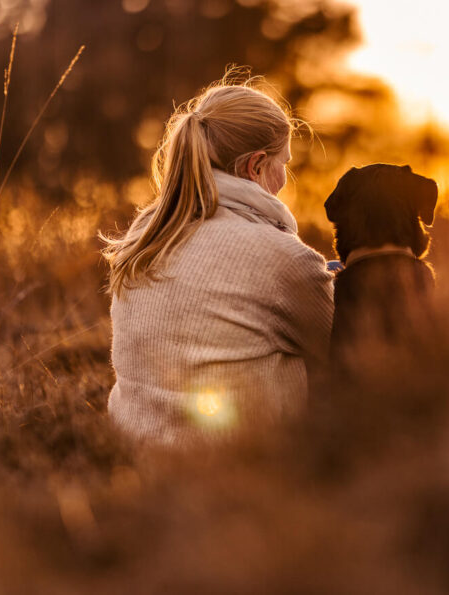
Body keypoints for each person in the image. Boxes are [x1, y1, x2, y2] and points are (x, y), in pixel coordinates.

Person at [101, 80, 333, 445]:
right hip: (238, 469)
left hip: (132, 458)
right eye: (283, 163)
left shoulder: (144, 234)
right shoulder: (282, 257)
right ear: (256, 166)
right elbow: (348, 346)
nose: (285, 178)